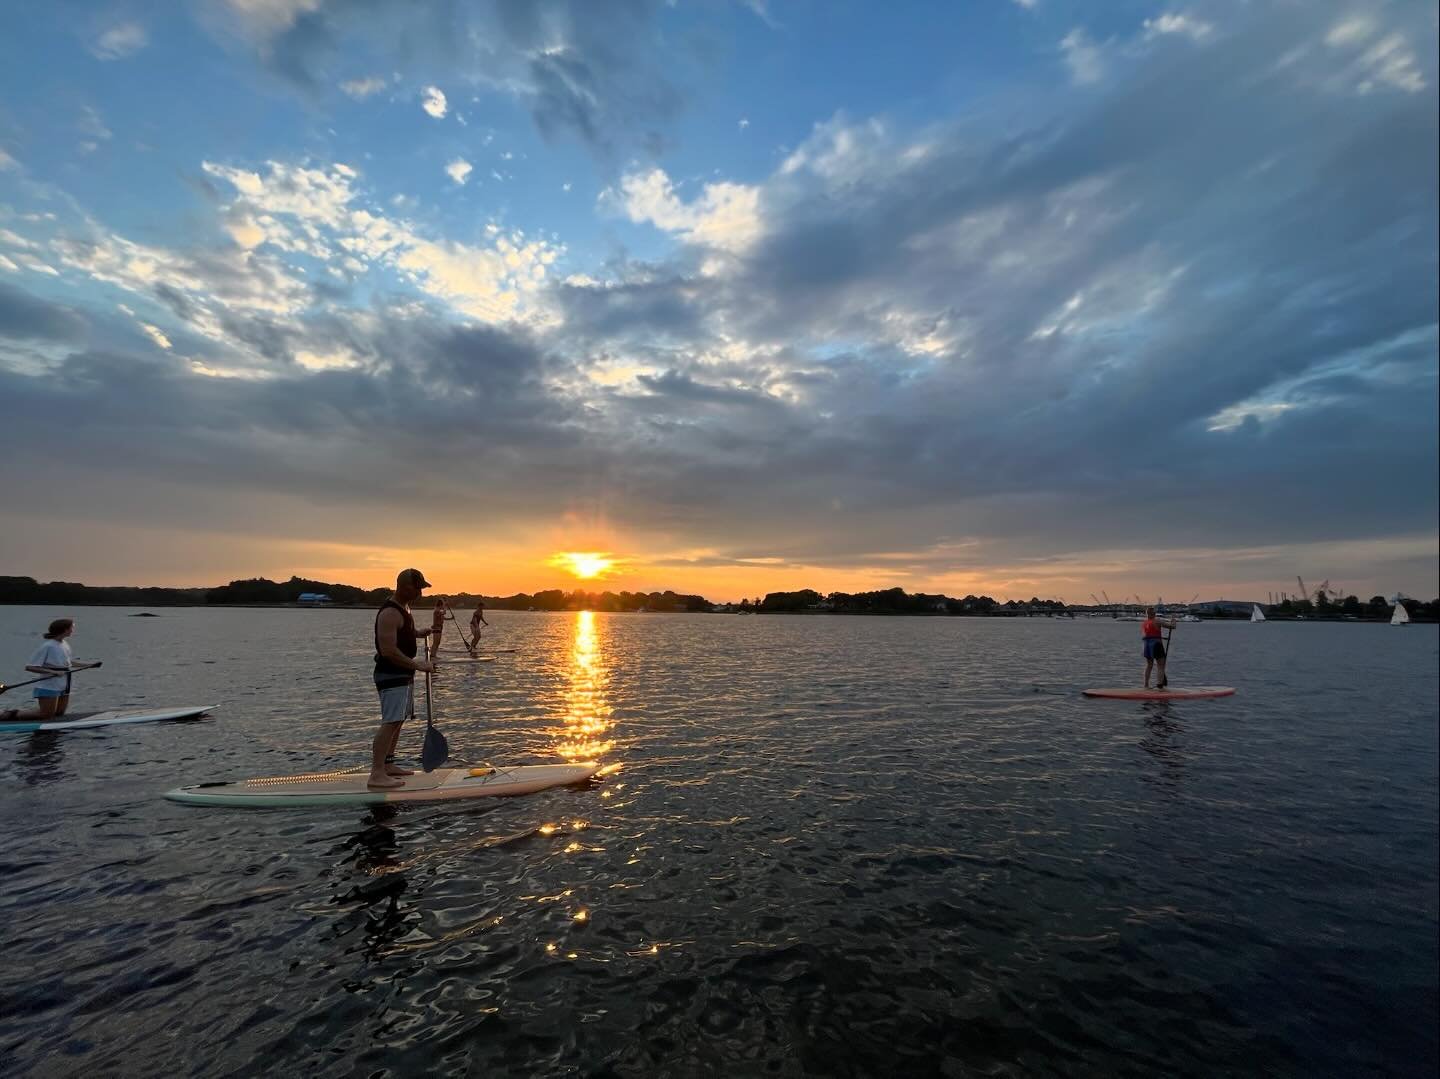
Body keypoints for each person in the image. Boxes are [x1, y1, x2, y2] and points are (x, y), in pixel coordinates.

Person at [370, 569, 439, 790]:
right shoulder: (390, 613)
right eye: (416, 588)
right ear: (403, 586)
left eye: (421, 588)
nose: (419, 592)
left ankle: (388, 765)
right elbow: (388, 650)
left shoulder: (404, 609)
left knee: (398, 721)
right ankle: (376, 774)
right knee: (390, 722)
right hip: (391, 675)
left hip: (402, 676)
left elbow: (403, 634)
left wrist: (418, 633)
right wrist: (418, 665)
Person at [1, 618, 101, 722]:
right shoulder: (48, 646)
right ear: (64, 629)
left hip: (64, 684)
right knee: (45, 714)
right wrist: (54, 672)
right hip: (49, 685)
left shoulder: (64, 644)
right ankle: (6, 715)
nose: (73, 631)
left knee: (59, 713)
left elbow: (69, 663)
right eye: (71, 628)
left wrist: (89, 665)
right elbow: (30, 667)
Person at [1141, 606, 1178, 689]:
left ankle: (1146, 685)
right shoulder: (1157, 621)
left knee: (1149, 665)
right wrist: (1174, 619)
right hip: (1156, 645)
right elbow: (1173, 626)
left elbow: (1150, 634)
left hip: (1147, 646)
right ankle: (1160, 687)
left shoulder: (1144, 623)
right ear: (1154, 614)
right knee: (1161, 666)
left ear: (1147, 614)